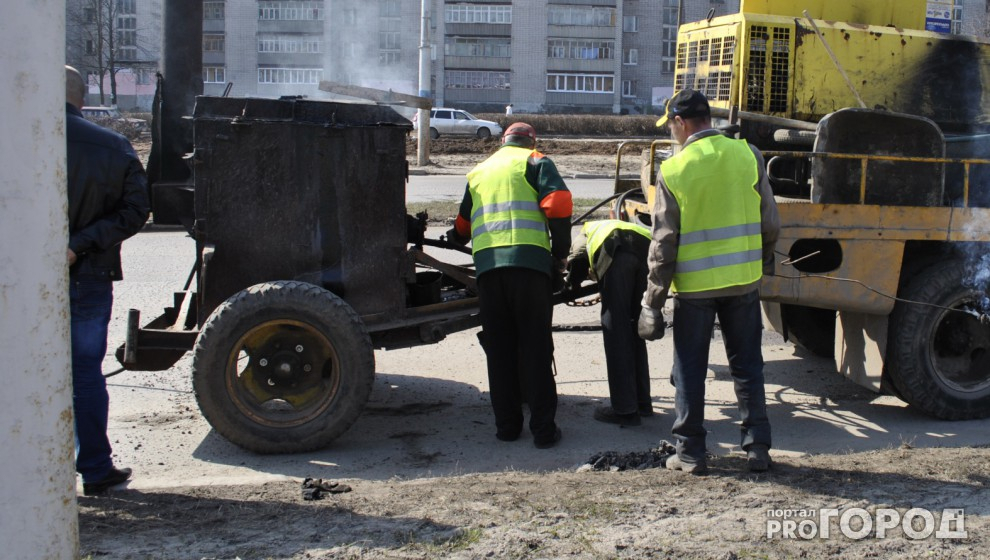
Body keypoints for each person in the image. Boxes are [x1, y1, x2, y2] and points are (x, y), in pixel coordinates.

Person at [638, 89, 780, 474]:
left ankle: (690, 453)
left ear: (681, 124)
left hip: (696, 289)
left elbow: (664, 243)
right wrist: (760, 263)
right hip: (743, 283)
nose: (670, 132)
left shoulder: (674, 170)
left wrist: (652, 300)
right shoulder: (748, 155)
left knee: (690, 368)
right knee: (748, 365)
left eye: (670, 126)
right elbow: (770, 222)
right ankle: (758, 448)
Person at [446, 122, 572, 448]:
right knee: (535, 347)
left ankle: (507, 428)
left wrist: (455, 237)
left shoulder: (479, 171)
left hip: (488, 272)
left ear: (503, 141)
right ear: (532, 141)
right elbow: (557, 204)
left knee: (499, 350)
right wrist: (559, 255)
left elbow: (462, 224)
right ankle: (544, 432)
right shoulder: (535, 161)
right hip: (529, 269)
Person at [65, 65, 151, 494]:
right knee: (84, 374)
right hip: (88, 275)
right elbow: (136, 211)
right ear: (81, 98)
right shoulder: (113, 146)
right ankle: (95, 470)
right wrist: (78, 245)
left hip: (17, 279)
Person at [566, 219, 653, 427]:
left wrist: (571, 284)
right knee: (635, 330)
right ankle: (643, 403)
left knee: (617, 331)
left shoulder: (587, 230)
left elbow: (578, 256)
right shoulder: (622, 225)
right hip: (647, 253)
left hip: (617, 253)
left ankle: (625, 410)